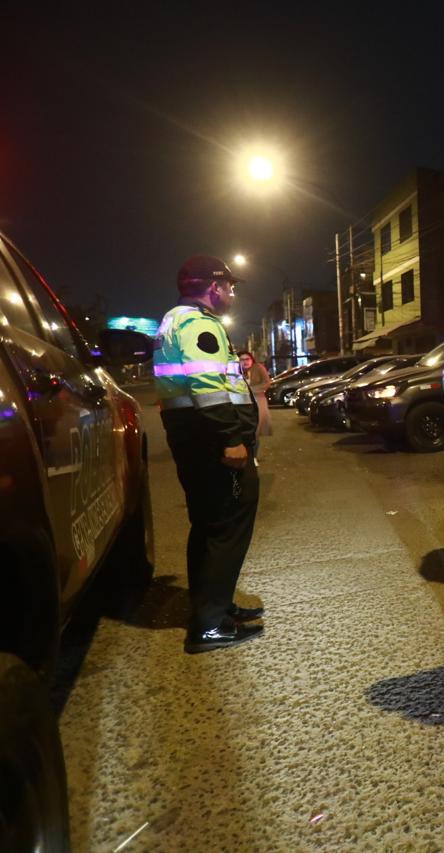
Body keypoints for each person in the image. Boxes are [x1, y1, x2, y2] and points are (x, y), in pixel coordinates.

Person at [154, 256, 265, 653]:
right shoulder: (198, 324)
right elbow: (208, 387)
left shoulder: (175, 321)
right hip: (212, 441)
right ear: (214, 287)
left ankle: (213, 606)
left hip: (195, 438)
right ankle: (211, 623)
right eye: (230, 286)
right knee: (227, 524)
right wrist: (231, 439)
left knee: (208, 525)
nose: (233, 292)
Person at [239, 350, 272, 441]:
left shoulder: (258, 367)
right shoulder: (236, 371)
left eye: (247, 359)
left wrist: (250, 390)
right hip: (242, 402)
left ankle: (253, 451)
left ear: (252, 359)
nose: (245, 362)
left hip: (258, 400)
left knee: (257, 428)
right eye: (242, 360)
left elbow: (267, 382)